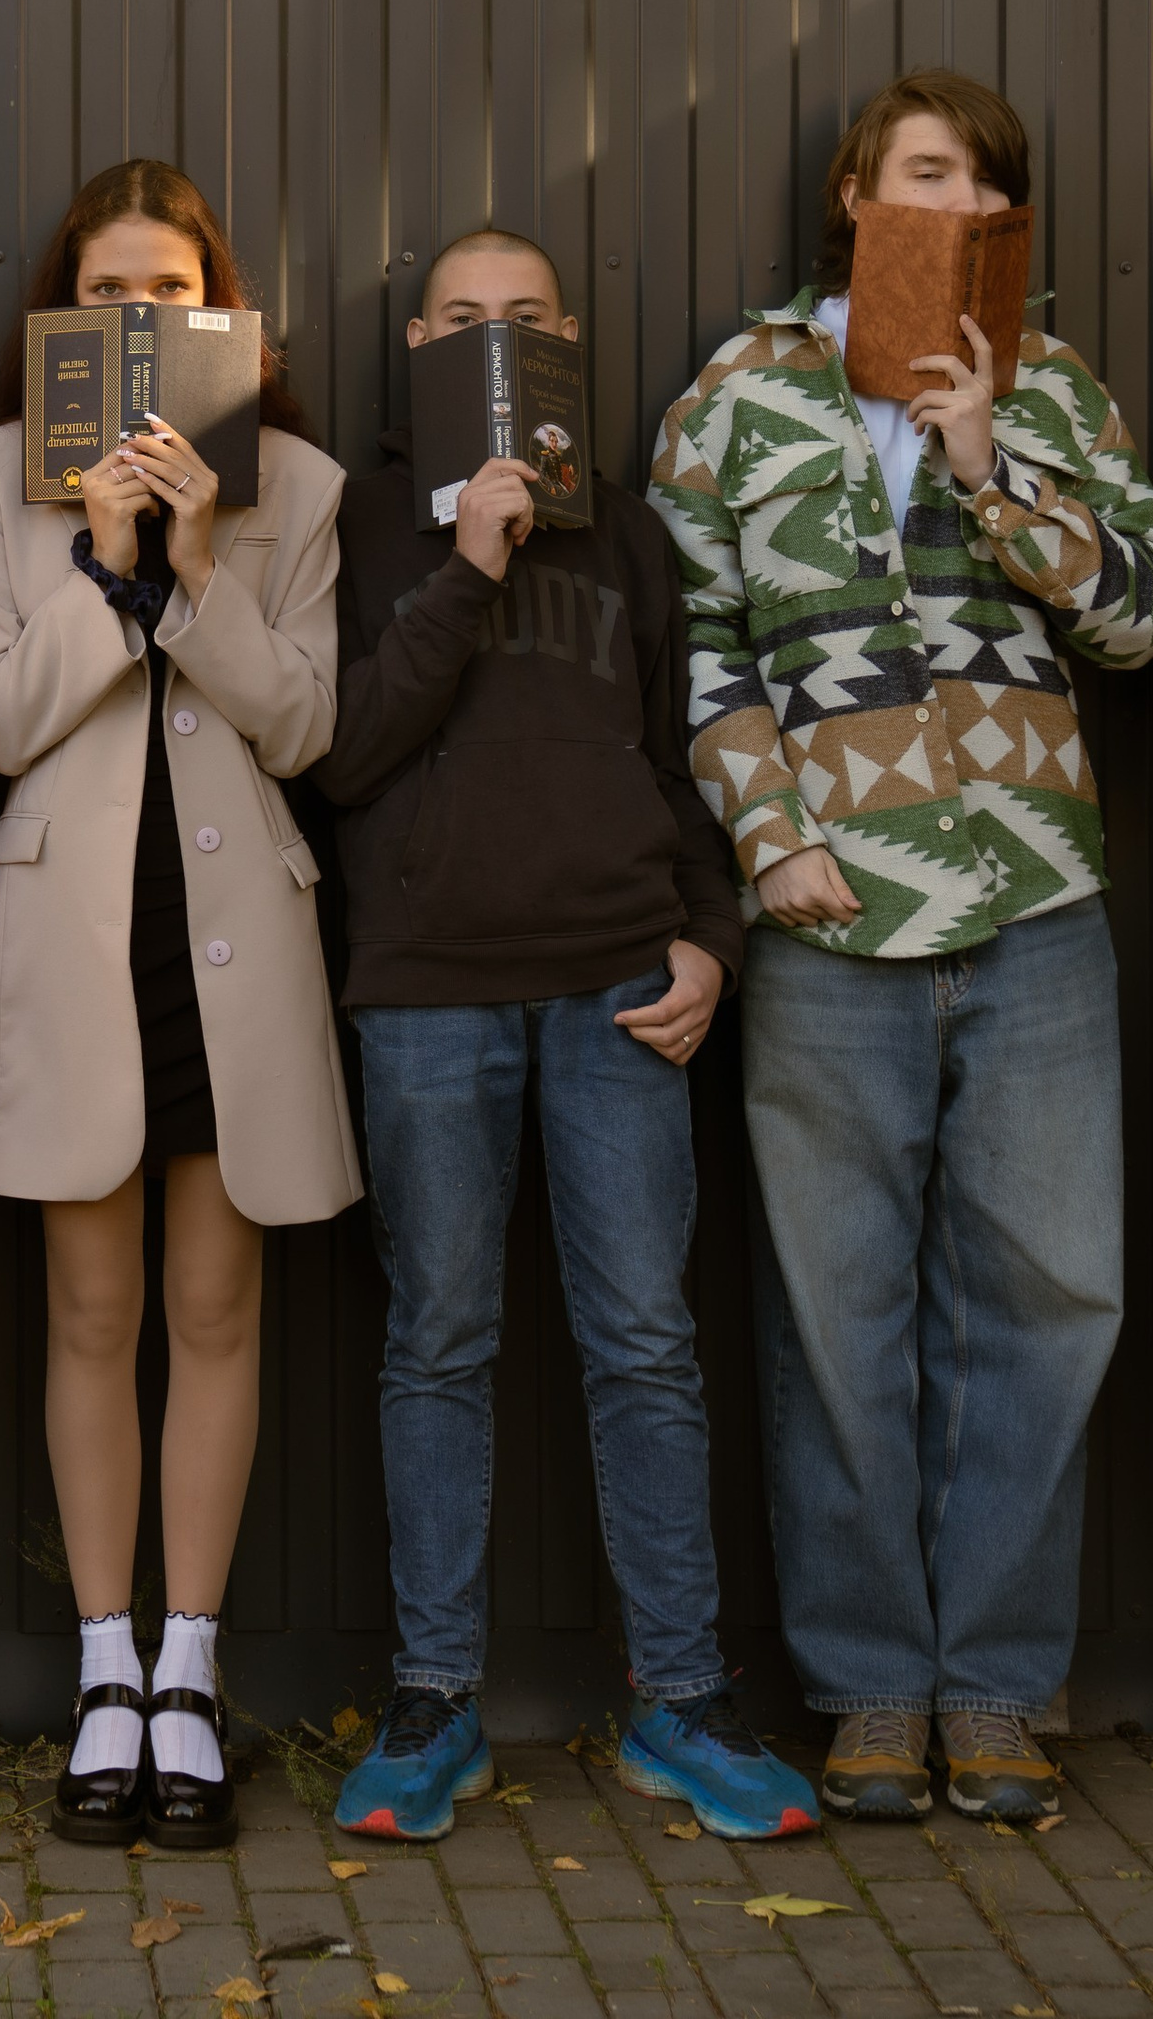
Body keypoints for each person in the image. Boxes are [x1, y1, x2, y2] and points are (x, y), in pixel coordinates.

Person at [649, 69, 1153, 1822]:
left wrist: (995, 468)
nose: (952, 204)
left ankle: (999, 1690)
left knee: (1050, 1307)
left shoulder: (1056, 390)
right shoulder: (737, 395)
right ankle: (877, 1688)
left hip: (1036, 907)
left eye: (984, 186)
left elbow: (1143, 619)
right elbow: (705, 646)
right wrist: (769, 837)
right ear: (858, 194)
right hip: (829, 918)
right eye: (926, 172)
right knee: (837, 1318)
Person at [315, 233, 813, 1843]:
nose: (495, 336)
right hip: (430, 987)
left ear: (569, 341)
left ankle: (681, 1704)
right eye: (465, 319)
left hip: (618, 984)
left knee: (646, 1348)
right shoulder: (362, 516)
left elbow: (682, 761)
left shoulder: (634, 539)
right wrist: (466, 560)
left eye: (524, 318)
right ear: (416, 344)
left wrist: (715, 942)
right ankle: (433, 1704)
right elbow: (346, 753)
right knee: (438, 1346)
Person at [0, 159, 359, 1852]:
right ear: (66, 311)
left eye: (170, 294)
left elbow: (306, 725)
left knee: (217, 1310)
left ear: (219, 312)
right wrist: (106, 564)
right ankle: (102, 1671)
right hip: (72, 942)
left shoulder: (299, 485)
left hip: (229, 942)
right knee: (91, 1318)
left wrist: (199, 566)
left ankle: (190, 1670)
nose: (140, 321)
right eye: (108, 292)